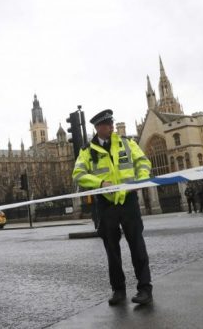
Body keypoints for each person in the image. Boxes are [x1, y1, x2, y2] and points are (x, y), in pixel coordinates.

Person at [72, 109, 153, 306]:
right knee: (112, 250)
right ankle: (118, 290)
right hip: (106, 204)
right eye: (107, 124)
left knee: (137, 246)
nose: (112, 127)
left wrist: (141, 181)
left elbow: (143, 162)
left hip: (128, 201)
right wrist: (100, 183)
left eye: (111, 123)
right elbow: (78, 175)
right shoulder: (87, 151)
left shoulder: (127, 143)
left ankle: (144, 289)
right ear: (98, 128)